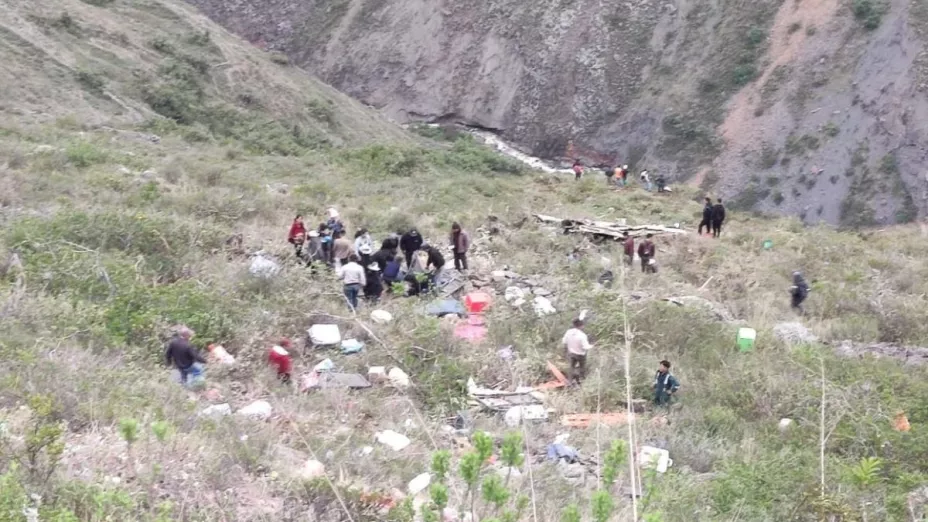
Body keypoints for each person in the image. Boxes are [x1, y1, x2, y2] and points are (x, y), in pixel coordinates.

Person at [562, 318, 592, 383]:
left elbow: (564, 341)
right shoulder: (582, 335)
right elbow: (585, 347)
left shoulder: (568, 332)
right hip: (581, 354)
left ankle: (570, 381)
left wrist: (566, 350)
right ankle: (581, 381)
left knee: (571, 367)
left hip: (571, 353)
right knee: (582, 367)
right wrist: (592, 346)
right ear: (582, 325)